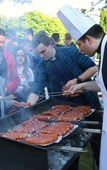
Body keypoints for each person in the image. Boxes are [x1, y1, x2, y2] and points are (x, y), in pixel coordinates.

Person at [27, 33, 102, 169]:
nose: (41, 56)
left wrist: (77, 80)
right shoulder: (41, 66)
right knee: (70, 150)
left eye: (43, 52)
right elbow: (36, 89)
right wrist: (27, 107)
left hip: (88, 104)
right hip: (63, 113)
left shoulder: (70, 52)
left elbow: (93, 67)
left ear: (51, 44)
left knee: (99, 145)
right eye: (38, 54)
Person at [57, 4, 107, 170]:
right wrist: (80, 85)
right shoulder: (103, 50)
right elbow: (102, 85)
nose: (79, 50)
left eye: (79, 44)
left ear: (89, 39)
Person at [0, 27, 20, 95]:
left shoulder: (9, 57)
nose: (1, 45)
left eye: (3, 42)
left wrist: (7, 88)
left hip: (5, 96)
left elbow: (16, 79)